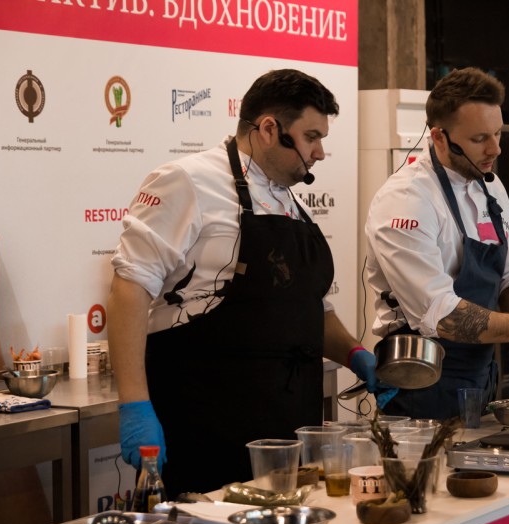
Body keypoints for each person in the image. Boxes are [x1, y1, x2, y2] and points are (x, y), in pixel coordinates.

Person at [108, 69, 394, 498]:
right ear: (268, 129)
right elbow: (129, 288)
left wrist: (354, 353)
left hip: (287, 427)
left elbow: (306, 306)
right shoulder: (186, 181)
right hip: (209, 422)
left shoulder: (287, 197)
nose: (319, 153)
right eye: (312, 137)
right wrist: (134, 405)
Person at [364, 67, 509, 420]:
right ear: (439, 138)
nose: (495, 149)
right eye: (480, 138)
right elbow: (442, 315)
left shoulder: (489, 185)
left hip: (480, 376)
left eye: (498, 133)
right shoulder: (406, 200)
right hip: (421, 385)